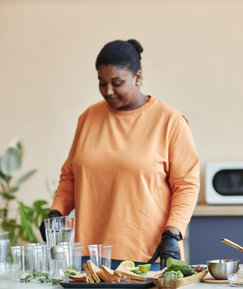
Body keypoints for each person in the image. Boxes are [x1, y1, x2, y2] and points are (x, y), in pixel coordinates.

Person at [40, 39, 200, 270]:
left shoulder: (169, 121)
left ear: (138, 77)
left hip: (148, 255)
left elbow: (186, 185)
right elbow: (70, 175)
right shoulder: (88, 118)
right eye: (102, 83)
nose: (109, 91)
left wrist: (173, 233)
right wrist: (57, 211)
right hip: (89, 256)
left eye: (117, 83)